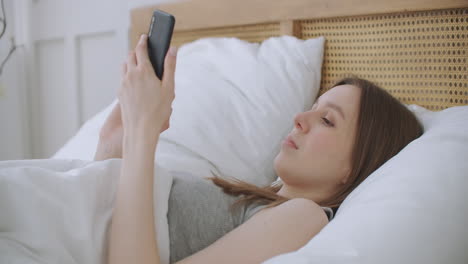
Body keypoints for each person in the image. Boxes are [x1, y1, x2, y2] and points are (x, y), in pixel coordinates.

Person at [95, 34, 423, 264]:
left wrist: (142, 134)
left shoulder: (303, 216)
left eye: (326, 119)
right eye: (312, 107)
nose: (299, 119)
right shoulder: (250, 197)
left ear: (356, 166)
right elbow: (101, 222)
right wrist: (112, 147)